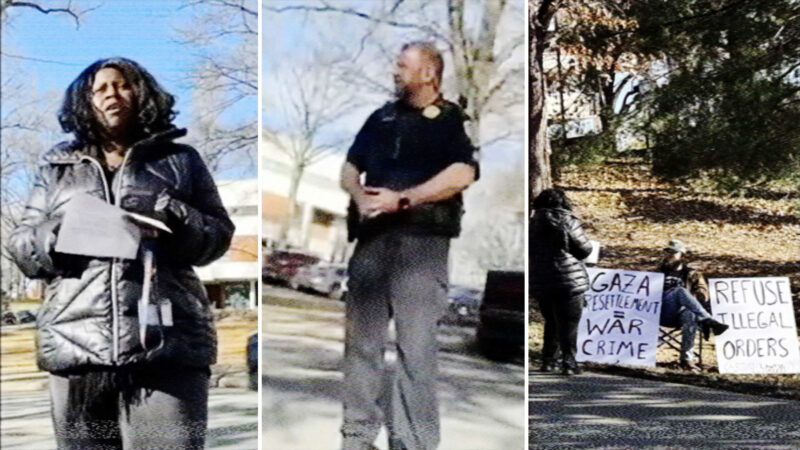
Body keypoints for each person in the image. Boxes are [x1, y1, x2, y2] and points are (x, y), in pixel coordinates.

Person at [8, 57, 234, 449]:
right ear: (85, 101)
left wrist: (176, 218)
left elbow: (218, 236)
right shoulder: (56, 167)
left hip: (166, 346)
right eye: (100, 89)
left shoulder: (181, 160)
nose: (112, 94)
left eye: (122, 85)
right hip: (76, 347)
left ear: (142, 93)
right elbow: (22, 247)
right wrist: (61, 234)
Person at [339, 41, 479, 450]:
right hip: (372, 243)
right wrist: (360, 196)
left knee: (415, 352)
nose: (395, 71)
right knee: (360, 346)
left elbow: (462, 173)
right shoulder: (380, 118)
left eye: (402, 65)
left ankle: (412, 443)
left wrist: (405, 198)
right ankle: (356, 438)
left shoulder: (452, 121)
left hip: (422, 246)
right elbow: (351, 167)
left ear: (428, 73)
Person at [530, 188, 593, 375]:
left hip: (542, 280)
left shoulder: (532, 224)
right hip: (569, 280)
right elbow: (585, 250)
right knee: (569, 323)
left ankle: (548, 361)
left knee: (551, 321)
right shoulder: (568, 221)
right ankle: (569, 362)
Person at [657, 239, 728, 371]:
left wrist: (696, 295)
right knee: (680, 291)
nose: (668, 255)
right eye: (667, 252)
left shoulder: (693, 274)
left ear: (682, 256)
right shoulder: (658, 272)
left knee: (690, 314)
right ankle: (708, 320)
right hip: (660, 312)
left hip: (680, 314)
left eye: (673, 253)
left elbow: (704, 293)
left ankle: (687, 360)